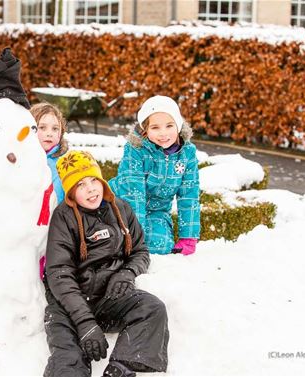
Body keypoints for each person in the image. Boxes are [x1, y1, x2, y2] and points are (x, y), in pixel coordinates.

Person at [44, 150, 169, 377]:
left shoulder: (120, 209)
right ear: (71, 192)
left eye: (94, 180)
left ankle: (119, 370)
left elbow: (140, 250)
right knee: (68, 359)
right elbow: (59, 274)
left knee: (152, 309)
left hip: (108, 298)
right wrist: (85, 323)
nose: (91, 188)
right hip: (70, 305)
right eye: (81, 184)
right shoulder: (63, 217)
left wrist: (127, 273)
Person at [109, 95, 200, 255]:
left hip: (156, 211)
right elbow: (133, 194)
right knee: (114, 242)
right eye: (155, 128)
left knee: (160, 245)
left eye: (169, 125)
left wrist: (189, 237)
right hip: (120, 205)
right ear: (145, 129)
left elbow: (189, 194)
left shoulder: (187, 153)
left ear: (178, 125)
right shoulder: (135, 150)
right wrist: (135, 236)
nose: (163, 133)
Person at [30, 102, 69, 204]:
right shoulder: (22, 159)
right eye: (42, 127)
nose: (49, 134)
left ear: (61, 133)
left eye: (55, 129)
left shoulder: (63, 163)